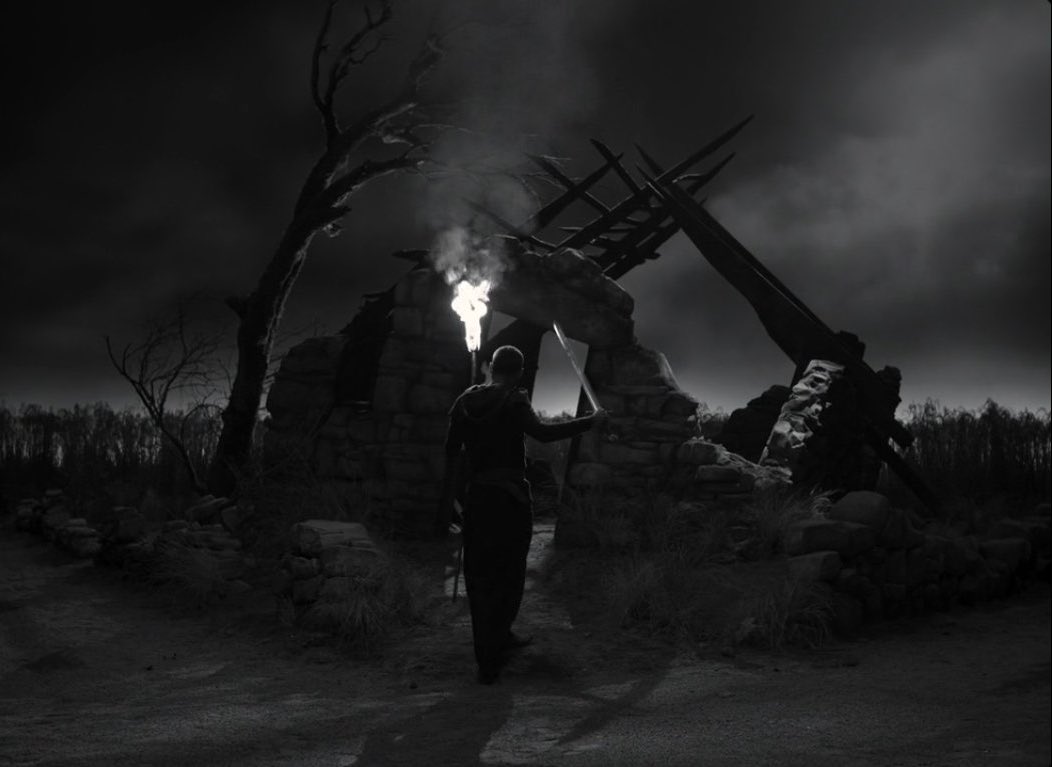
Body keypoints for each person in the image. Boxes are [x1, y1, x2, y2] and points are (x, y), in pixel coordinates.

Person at [440, 344, 606, 684]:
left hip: (478, 498)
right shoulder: (514, 399)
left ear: (491, 368)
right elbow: (543, 433)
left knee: (480, 574)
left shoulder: (464, 401)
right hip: (510, 500)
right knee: (509, 572)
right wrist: (591, 422)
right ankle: (494, 652)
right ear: (518, 372)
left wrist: (452, 500)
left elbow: (451, 451)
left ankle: (491, 647)